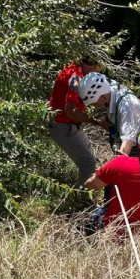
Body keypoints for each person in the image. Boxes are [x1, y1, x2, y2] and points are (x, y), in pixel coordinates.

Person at [47, 57, 104, 186]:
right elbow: (71, 111)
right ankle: (83, 196)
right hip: (64, 127)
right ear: (91, 64)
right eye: (97, 67)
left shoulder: (74, 68)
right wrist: (96, 121)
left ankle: (86, 190)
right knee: (88, 163)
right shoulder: (77, 77)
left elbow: (77, 100)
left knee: (90, 157)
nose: (98, 70)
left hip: (70, 125)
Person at [77, 74, 140, 156]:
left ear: (103, 97)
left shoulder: (127, 108)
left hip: (135, 145)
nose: (94, 106)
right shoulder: (109, 88)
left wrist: (118, 162)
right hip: (120, 135)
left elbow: (128, 141)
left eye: (94, 103)